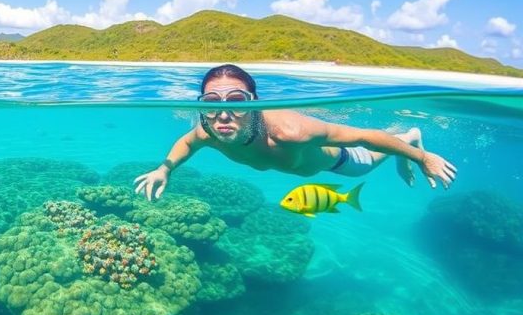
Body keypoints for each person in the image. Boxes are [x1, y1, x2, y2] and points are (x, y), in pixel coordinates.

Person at [133, 64, 458, 201]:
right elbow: (187, 143)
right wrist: (165, 169)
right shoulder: (209, 130)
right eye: (210, 103)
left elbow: (363, 136)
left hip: (340, 162)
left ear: (254, 104)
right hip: (304, 168)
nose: (222, 113)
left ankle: (410, 137)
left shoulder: (293, 132)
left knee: (371, 161)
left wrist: (422, 157)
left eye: (237, 101)